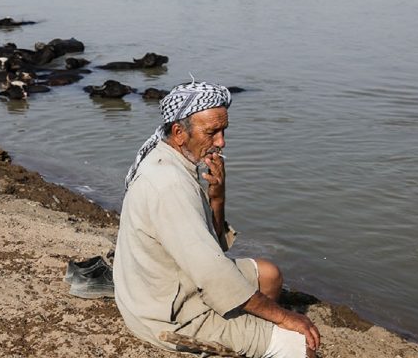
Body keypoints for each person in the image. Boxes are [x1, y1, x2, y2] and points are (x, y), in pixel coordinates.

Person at [113, 81, 320, 358]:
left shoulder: (171, 157)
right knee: (303, 347)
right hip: (169, 315)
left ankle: (251, 339)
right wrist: (284, 318)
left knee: (269, 275)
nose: (222, 142)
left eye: (223, 130)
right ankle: (254, 339)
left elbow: (215, 247)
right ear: (179, 133)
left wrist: (217, 195)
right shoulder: (169, 184)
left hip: (166, 285)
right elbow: (213, 274)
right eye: (212, 132)